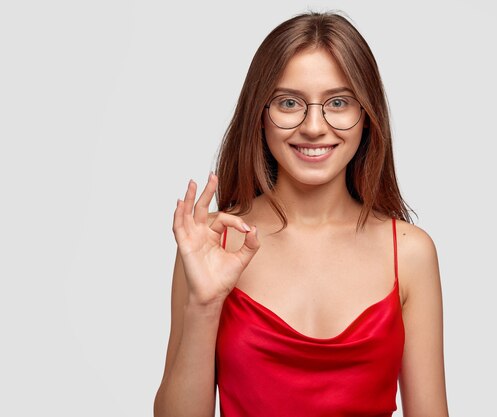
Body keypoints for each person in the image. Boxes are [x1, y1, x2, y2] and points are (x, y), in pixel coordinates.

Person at [154, 10, 449, 417]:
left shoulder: (411, 253)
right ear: (259, 114)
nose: (314, 126)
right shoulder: (213, 243)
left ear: (367, 115)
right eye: (289, 102)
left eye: (339, 102)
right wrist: (204, 306)